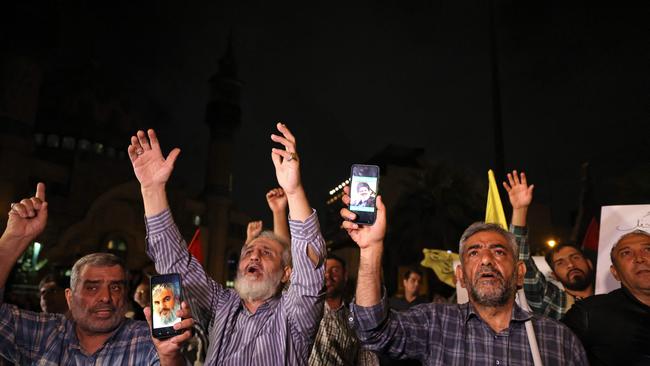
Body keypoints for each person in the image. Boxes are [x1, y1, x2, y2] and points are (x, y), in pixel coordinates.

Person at [128, 124, 326, 365]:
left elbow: (309, 266)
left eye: (266, 253)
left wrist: (294, 192)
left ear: (286, 274)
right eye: (249, 251)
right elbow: (176, 262)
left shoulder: (295, 314)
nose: (254, 257)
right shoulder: (221, 304)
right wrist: (152, 190)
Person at [339, 185, 588, 365]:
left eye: (499, 251)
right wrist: (371, 249)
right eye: (474, 253)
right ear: (461, 276)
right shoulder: (434, 322)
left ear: (520, 273)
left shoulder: (559, 341)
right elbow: (373, 331)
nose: (487, 259)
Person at [0, 183, 193, 365]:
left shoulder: (147, 341)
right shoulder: (43, 334)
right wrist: (13, 238)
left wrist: (169, 356)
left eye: (115, 287)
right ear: (70, 297)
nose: (105, 297)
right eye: (92, 287)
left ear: (125, 295)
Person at [503, 170, 594, 319]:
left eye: (575, 257)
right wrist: (520, 210)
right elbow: (521, 262)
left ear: (589, 264)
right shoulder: (554, 303)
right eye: (560, 263)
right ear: (554, 276)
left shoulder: (615, 298)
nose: (570, 264)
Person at [562, 230, 650, 366]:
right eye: (626, 253)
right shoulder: (588, 314)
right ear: (615, 273)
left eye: (648, 249)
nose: (639, 258)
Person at [309, 254, 378, 366]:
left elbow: (367, 358)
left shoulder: (356, 319)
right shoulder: (306, 310)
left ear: (345, 276)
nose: (328, 275)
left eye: (335, 271)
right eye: (324, 271)